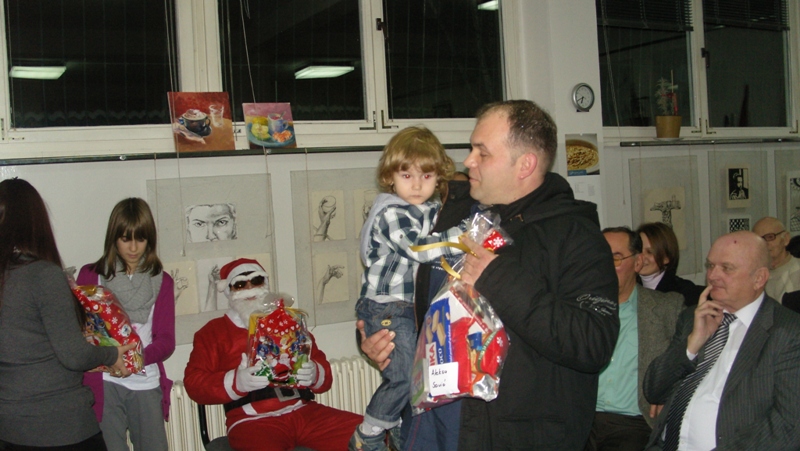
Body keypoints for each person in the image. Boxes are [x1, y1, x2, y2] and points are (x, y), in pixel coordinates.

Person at [359, 100, 620, 450]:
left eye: (482, 152)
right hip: (428, 431)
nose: (468, 161)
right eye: (471, 149)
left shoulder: (575, 236)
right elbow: (411, 293)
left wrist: (496, 278)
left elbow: (593, 343)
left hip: (510, 438)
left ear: (525, 165)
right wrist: (383, 339)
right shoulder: (450, 216)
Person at [351, 125, 466, 451]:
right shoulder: (391, 212)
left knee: (417, 378)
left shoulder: (430, 208)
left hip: (409, 307)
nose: (417, 185)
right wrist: (462, 237)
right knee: (402, 375)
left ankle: (401, 432)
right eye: (407, 175)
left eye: (426, 176)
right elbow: (419, 248)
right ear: (390, 177)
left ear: (438, 177)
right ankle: (368, 433)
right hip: (386, 305)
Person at [0, 178, 133, 450]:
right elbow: (74, 355)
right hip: (59, 426)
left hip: (10, 426)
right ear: (36, 220)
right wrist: (111, 354)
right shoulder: (43, 275)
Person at [643, 231, 800, 450]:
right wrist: (693, 343)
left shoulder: (788, 332)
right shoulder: (693, 317)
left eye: (726, 268)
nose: (712, 276)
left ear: (759, 278)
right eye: (710, 265)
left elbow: (789, 425)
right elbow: (653, 390)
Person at [184, 258, 362, 451]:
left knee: (370, 435)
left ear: (266, 284)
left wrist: (314, 373)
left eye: (257, 280)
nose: (250, 288)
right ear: (229, 290)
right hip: (252, 421)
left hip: (304, 411)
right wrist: (236, 381)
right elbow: (194, 384)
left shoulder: (289, 322)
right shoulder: (213, 332)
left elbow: (325, 377)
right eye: (240, 284)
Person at [78, 197, 175, 451]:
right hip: (104, 380)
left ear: (149, 240)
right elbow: (80, 331)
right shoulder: (91, 275)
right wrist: (108, 357)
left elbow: (166, 340)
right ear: (114, 238)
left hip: (144, 379)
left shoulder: (162, 281)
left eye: (140, 239)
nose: (133, 247)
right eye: (125, 239)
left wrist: (137, 359)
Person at [585, 227, 684, 451]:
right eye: (600, 258)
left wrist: (668, 392)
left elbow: (686, 362)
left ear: (637, 263)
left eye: (616, 258)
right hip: (583, 419)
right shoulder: (581, 308)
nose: (606, 266)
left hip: (634, 423)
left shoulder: (666, 308)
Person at [637, 222, 705, 306]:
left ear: (666, 258)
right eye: (639, 250)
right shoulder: (628, 287)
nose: (641, 257)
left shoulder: (683, 293)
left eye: (650, 252)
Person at [752, 216, 800, 303]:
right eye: (759, 240)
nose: (765, 243)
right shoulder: (751, 275)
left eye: (770, 237)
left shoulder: (797, 271)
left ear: (786, 239)